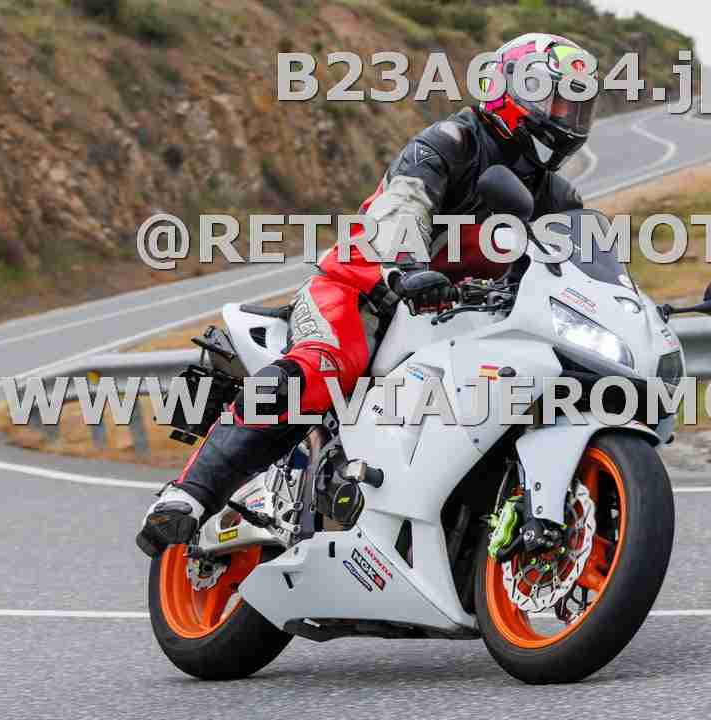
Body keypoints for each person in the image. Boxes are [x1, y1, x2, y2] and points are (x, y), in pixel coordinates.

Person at [136, 33, 598, 557]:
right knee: (325, 365)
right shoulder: (451, 143)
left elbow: (580, 264)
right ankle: (188, 495)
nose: (567, 116)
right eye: (558, 100)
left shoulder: (557, 196)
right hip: (366, 289)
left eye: (577, 106)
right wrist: (406, 266)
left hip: (460, 315)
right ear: (514, 89)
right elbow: (403, 205)